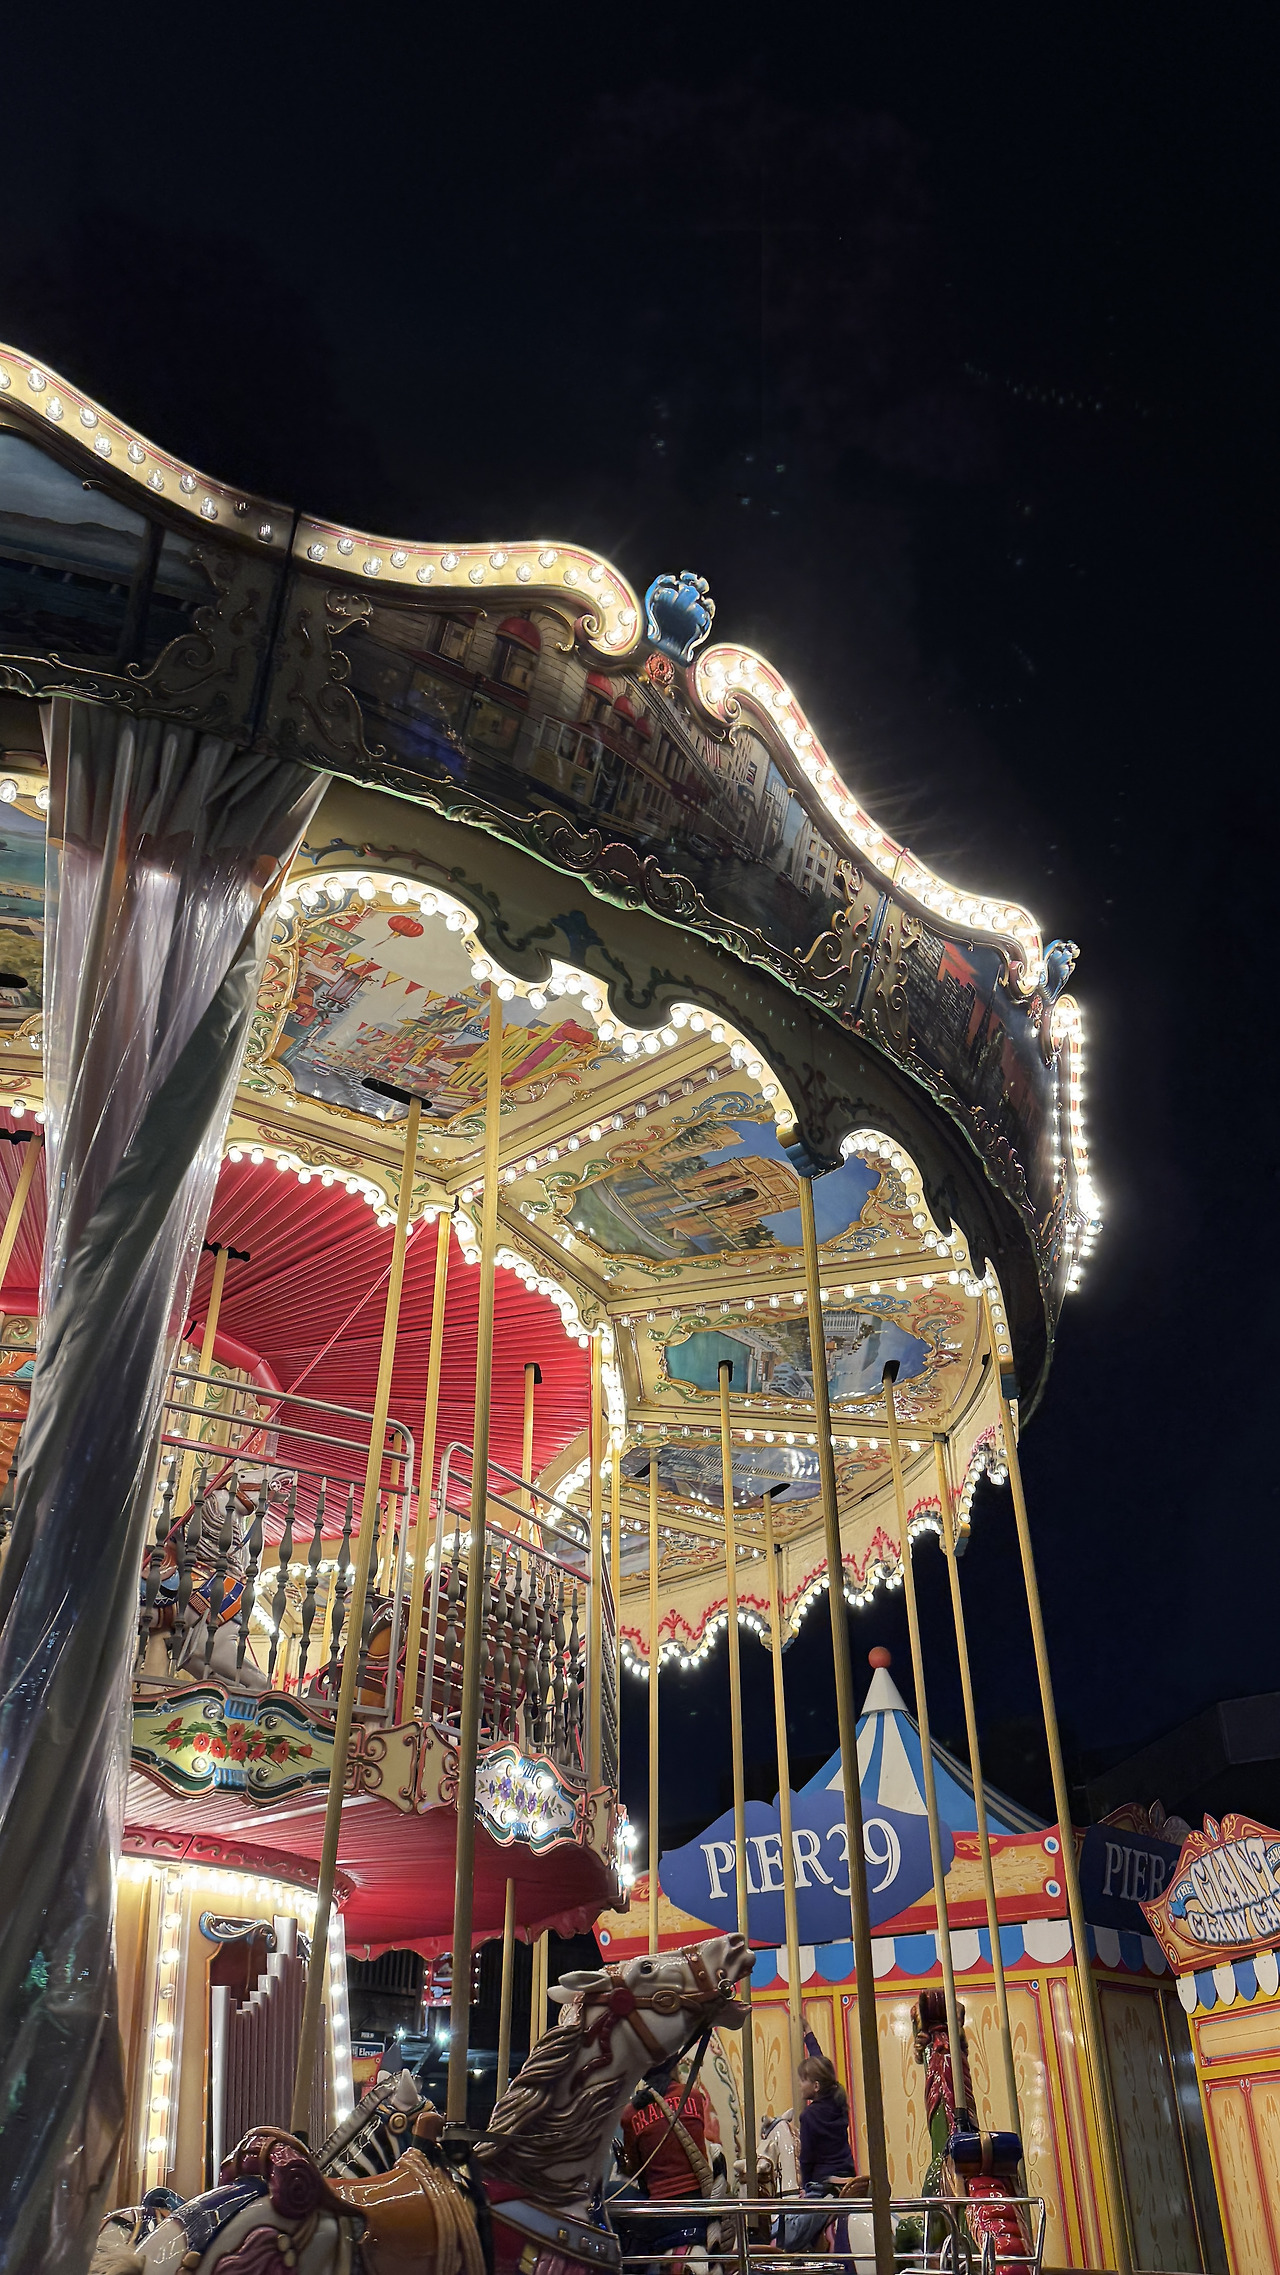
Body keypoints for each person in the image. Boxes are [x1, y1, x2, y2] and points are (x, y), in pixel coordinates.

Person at [614, 2066, 720, 2266]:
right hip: (700, 2209)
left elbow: (636, 2169)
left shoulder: (631, 2113)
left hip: (663, 2213)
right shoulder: (694, 2096)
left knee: (608, 2193)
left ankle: (625, 2265)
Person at [775, 2055, 856, 2254]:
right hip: (849, 2176)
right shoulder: (839, 2107)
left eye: (803, 2080)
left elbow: (807, 2158)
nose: (800, 2084)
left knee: (786, 2234)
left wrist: (805, 2186)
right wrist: (809, 2038)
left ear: (816, 2086)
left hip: (825, 2184)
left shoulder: (809, 2116)